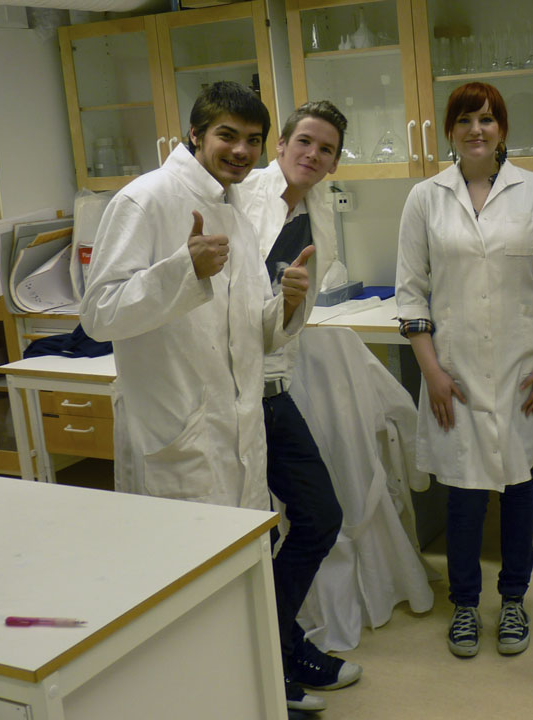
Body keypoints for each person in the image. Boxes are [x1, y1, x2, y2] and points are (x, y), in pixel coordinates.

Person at [79, 81, 317, 709]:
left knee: (236, 586)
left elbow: (246, 334)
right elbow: (99, 314)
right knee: (183, 596)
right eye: (226, 136)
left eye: (252, 140)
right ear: (195, 135)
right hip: (179, 435)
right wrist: (182, 269)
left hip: (237, 437)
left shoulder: (233, 208)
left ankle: (248, 698)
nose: (240, 150)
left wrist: (287, 306)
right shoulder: (146, 200)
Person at [395, 82, 533, 658]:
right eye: (465, 120)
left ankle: (514, 599)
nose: (477, 130)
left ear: (502, 130)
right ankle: (466, 606)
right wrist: (432, 372)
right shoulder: (425, 198)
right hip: (456, 371)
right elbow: (411, 293)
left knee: (519, 486)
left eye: (487, 119)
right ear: (449, 131)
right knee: (465, 493)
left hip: (524, 368)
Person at [235, 101, 361, 710]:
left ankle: (279, 642)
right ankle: (267, 668)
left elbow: (286, 319)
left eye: (326, 148)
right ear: (280, 145)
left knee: (318, 516)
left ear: (334, 163)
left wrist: (286, 303)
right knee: (251, 537)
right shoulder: (240, 199)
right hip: (230, 397)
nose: (313, 154)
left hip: (273, 390)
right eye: (304, 141)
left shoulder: (314, 214)